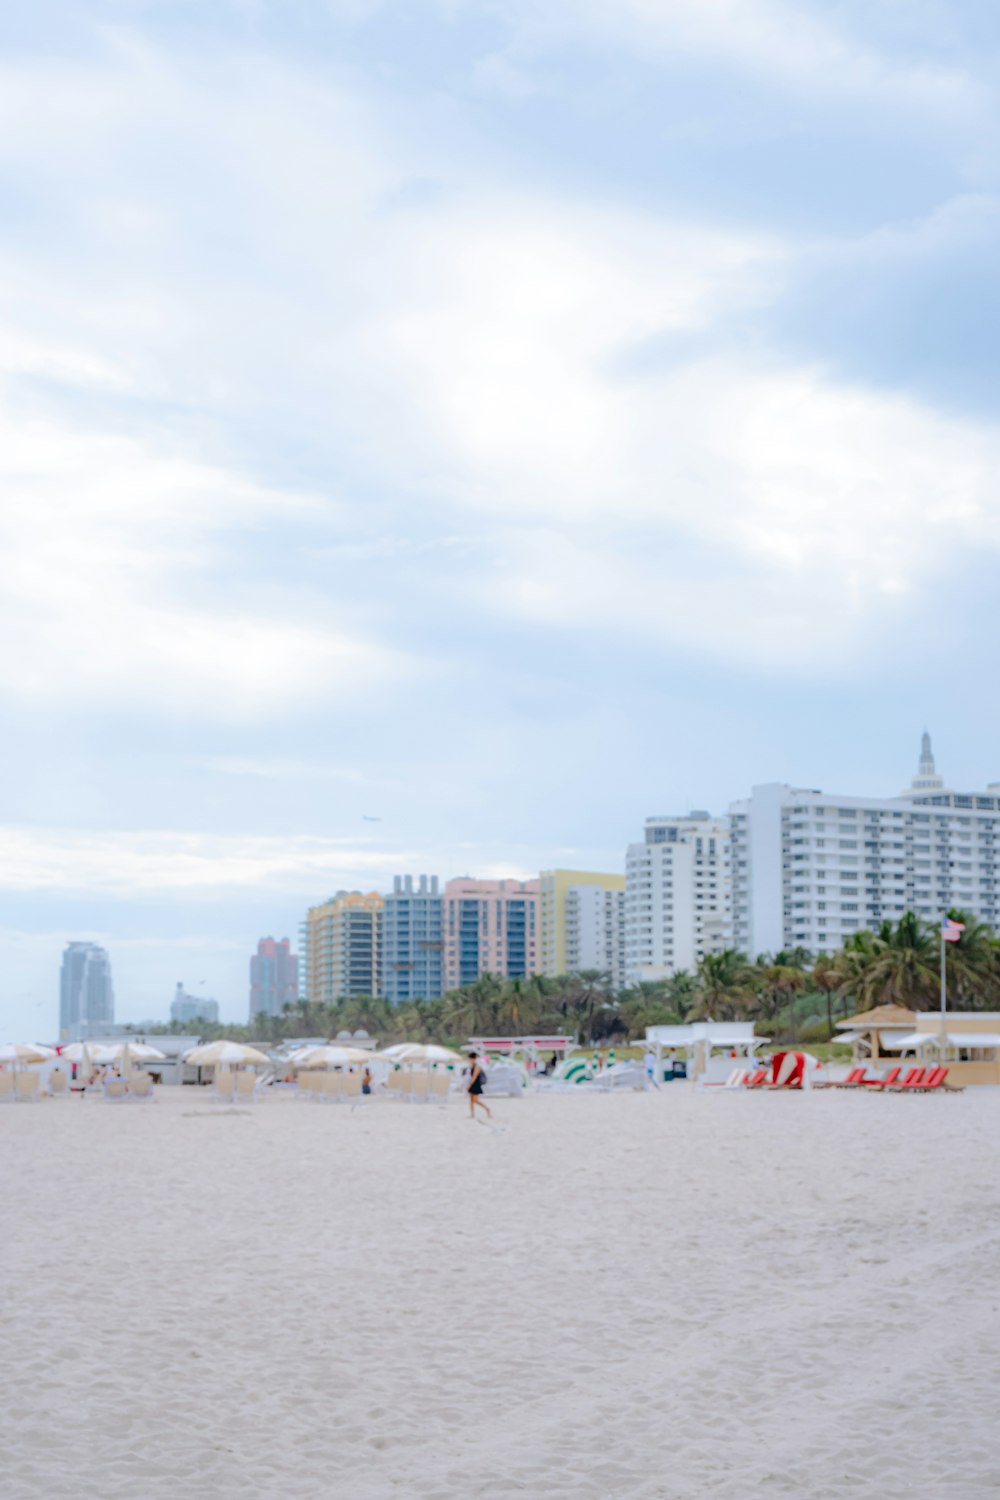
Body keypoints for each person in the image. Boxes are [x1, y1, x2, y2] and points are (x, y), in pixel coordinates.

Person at [466, 1051, 491, 1120]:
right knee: (471, 1100)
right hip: (473, 1084)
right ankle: (472, 1114)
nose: (468, 1060)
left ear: (472, 1059)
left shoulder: (477, 1066)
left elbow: (474, 1077)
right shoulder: (472, 1066)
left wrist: (469, 1085)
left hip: (475, 1084)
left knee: (475, 1100)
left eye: (469, 1059)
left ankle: (487, 1108)